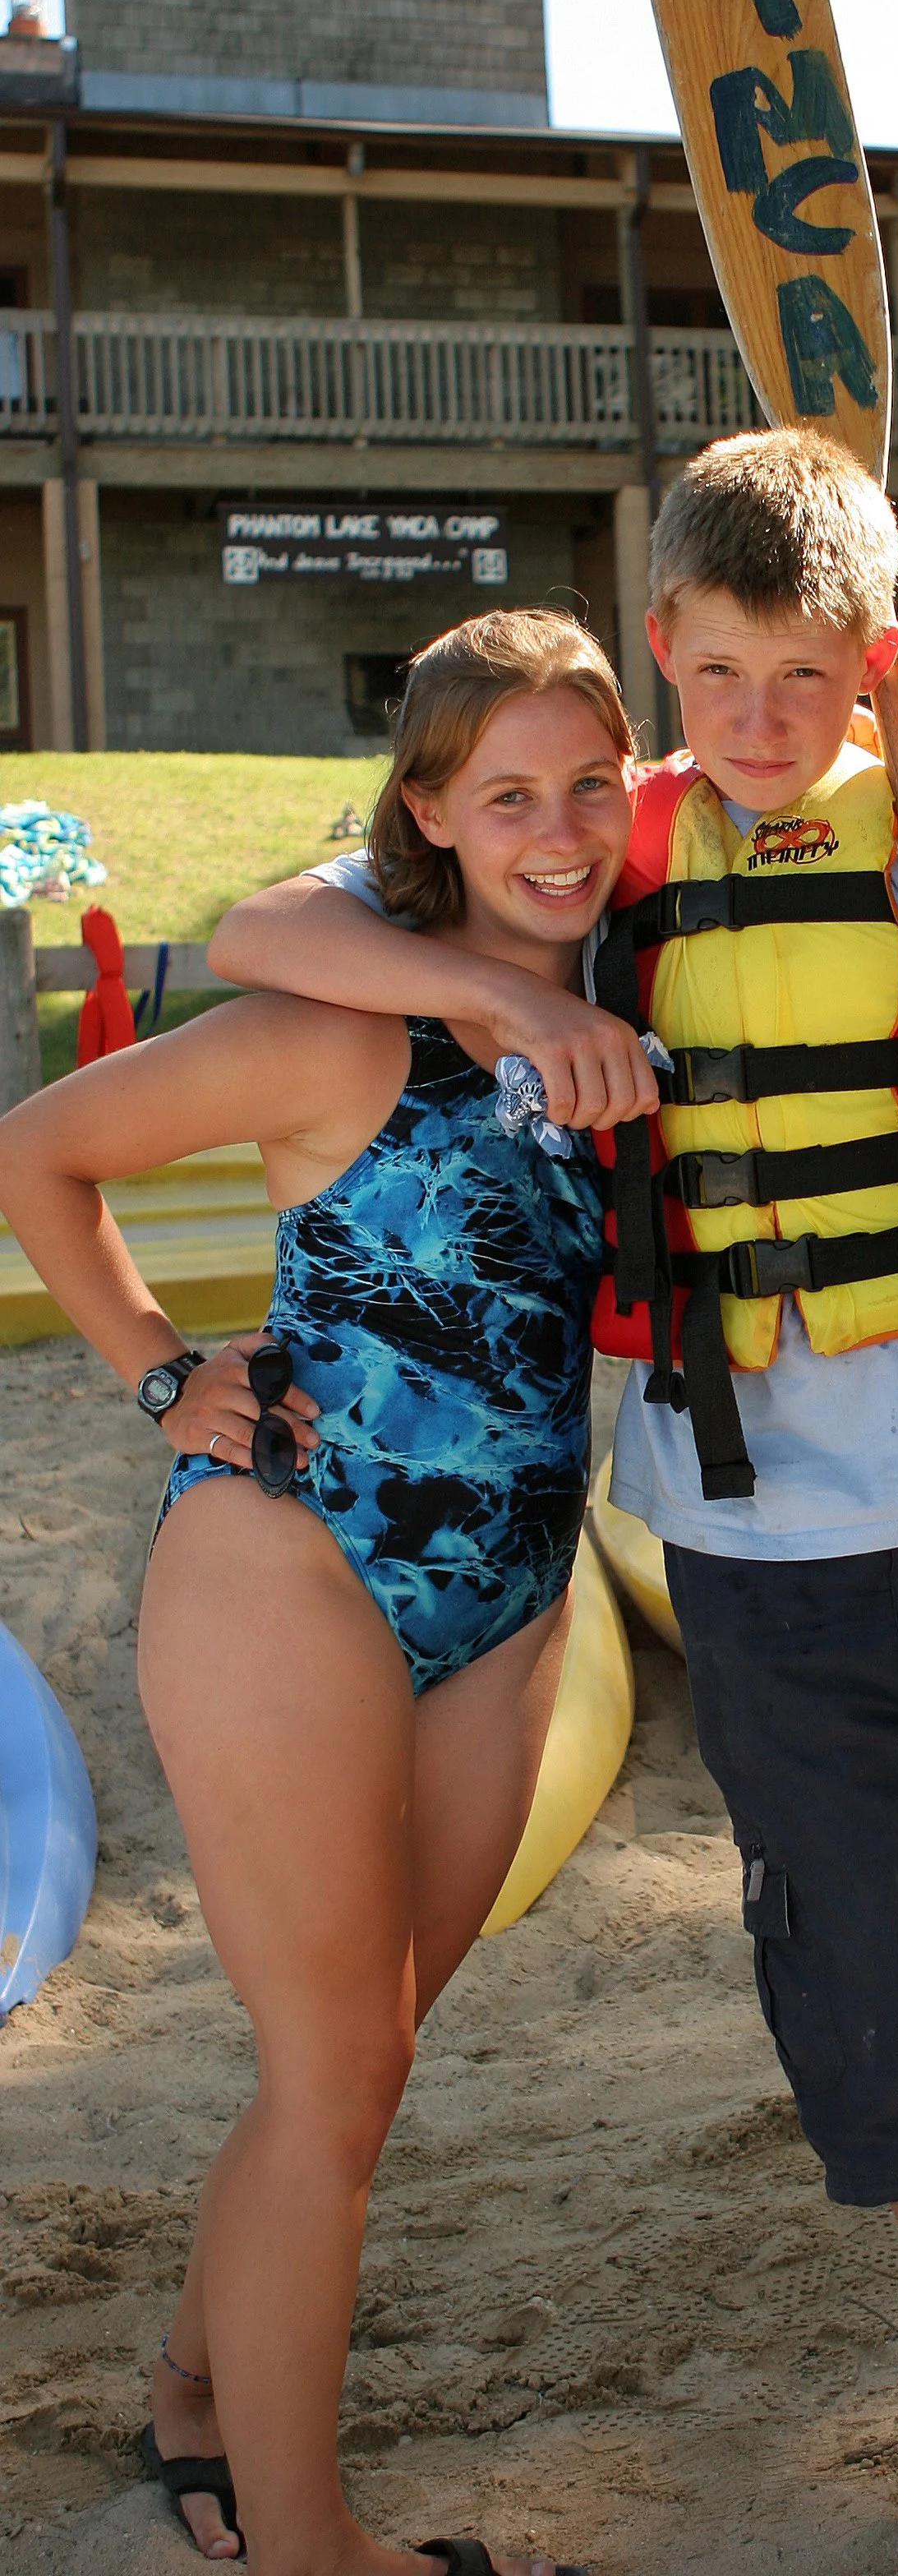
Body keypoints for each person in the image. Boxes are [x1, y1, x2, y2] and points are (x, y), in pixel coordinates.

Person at [209, 431, 898, 2576]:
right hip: (753, 1560)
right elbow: (265, 924)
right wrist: (504, 990)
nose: (761, 729)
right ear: (665, 656)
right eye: (715, 680)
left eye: (806, 680)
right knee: (874, 1999)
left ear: (870, 666)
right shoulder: (605, 874)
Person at [0, 610, 633, 2576]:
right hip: (294, 1563)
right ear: (430, 814)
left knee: (368, 2053)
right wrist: (150, 1370)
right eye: (507, 791)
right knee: (332, 2069)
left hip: (513, 1594)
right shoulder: (346, 1022)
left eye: (591, 783)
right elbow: (33, 1152)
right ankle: (310, 2546)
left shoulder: (623, 991)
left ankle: (200, 2386)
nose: (559, 826)